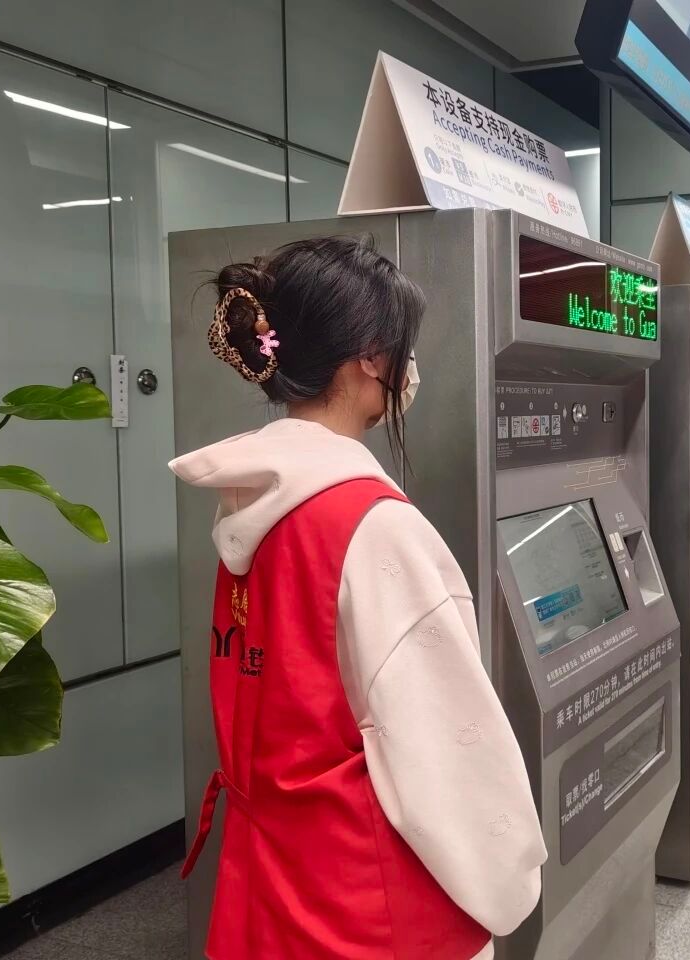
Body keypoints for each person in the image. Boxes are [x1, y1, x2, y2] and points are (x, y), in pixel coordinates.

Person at [170, 237, 546, 960]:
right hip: (364, 899)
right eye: (403, 346)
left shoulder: (251, 504)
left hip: (265, 881)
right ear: (372, 355)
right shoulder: (372, 526)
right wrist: (509, 875)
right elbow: (446, 744)